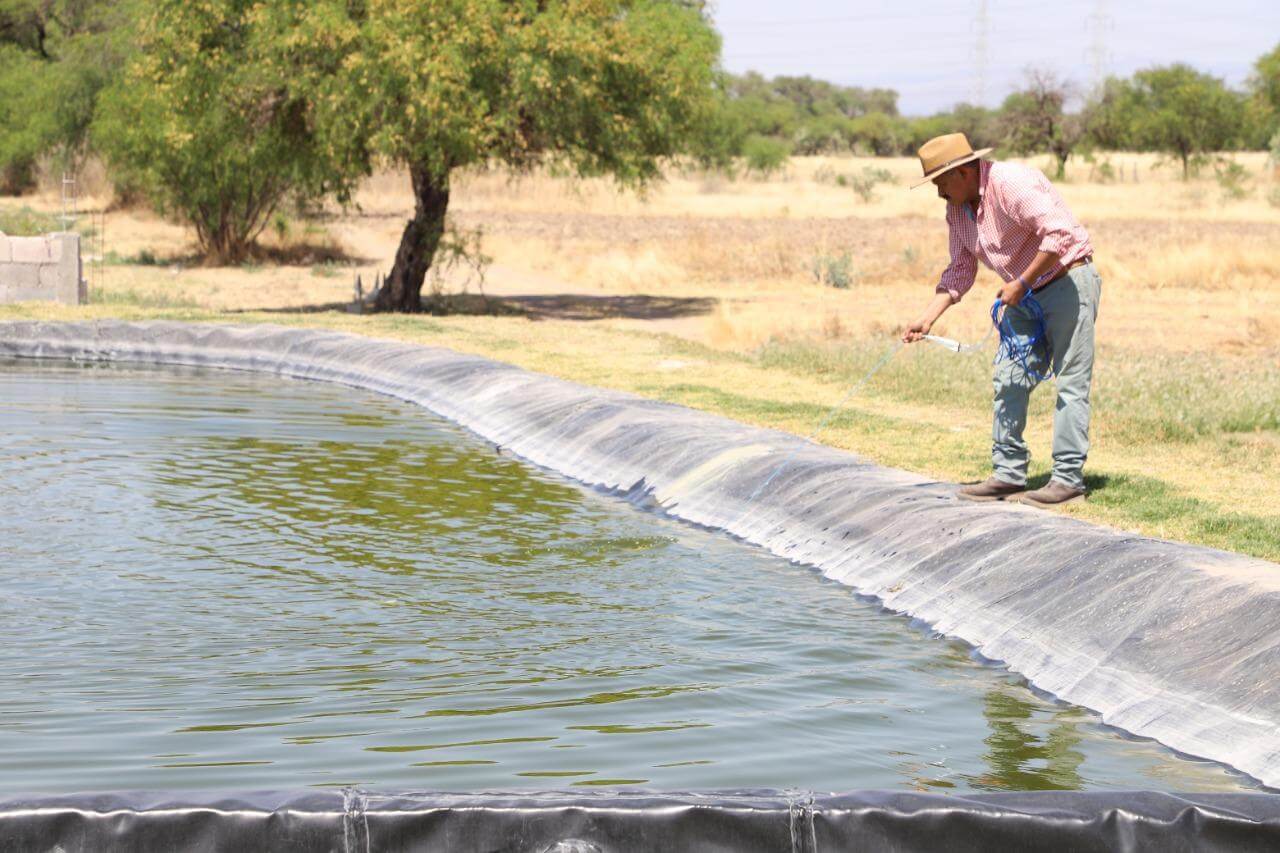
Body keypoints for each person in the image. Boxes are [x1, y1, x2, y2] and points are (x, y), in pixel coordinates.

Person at [902, 133, 1100, 508]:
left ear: (961, 172)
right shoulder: (957, 209)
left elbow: (1060, 234)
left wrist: (1021, 282)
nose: (939, 192)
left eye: (941, 182)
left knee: (1071, 381)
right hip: (1022, 295)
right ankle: (1008, 474)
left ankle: (1068, 480)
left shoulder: (1011, 183)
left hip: (1066, 283)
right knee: (1008, 378)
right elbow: (961, 268)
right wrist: (926, 319)